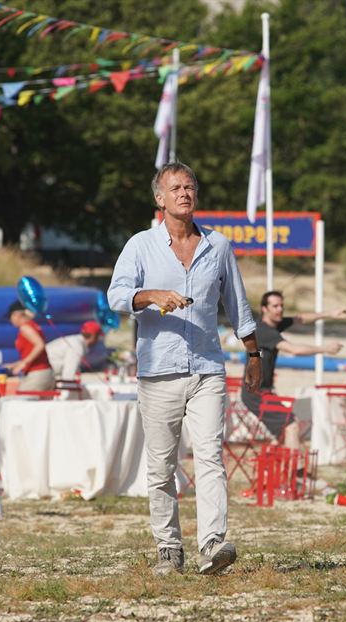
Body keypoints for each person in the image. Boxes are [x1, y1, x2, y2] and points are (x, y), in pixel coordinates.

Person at [107, 161, 261, 577]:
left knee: (209, 455)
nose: (184, 193)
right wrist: (150, 295)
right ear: (160, 199)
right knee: (160, 466)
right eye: (175, 188)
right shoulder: (140, 245)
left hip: (208, 368)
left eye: (189, 186)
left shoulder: (219, 246)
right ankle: (168, 548)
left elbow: (239, 305)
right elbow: (115, 296)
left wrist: (253, 355)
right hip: (158, 371)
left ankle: (212, 544)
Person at [244, 290, 346, 449]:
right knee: (291, 425)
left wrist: (330, 314)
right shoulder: (263, 331)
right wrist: (325, 348)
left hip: (265, 392)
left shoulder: (274, 324)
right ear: (264, 309)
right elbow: (295, 350)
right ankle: (296, 472)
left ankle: (285, 466)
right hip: (255, 395)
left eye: (282, 306)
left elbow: (300, 318)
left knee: (288, 430)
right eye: (275, 306)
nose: (280, 309)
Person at [5, 300, 54, 391]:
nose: (10, 321)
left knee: (20, 402)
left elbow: (40, 345)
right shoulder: (34, 325)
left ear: (16, 314)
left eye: (10, 317)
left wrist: (24, 363)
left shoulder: (25, 327)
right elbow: (35, 353)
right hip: (45, 372)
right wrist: (16, 364)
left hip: (37, 374)